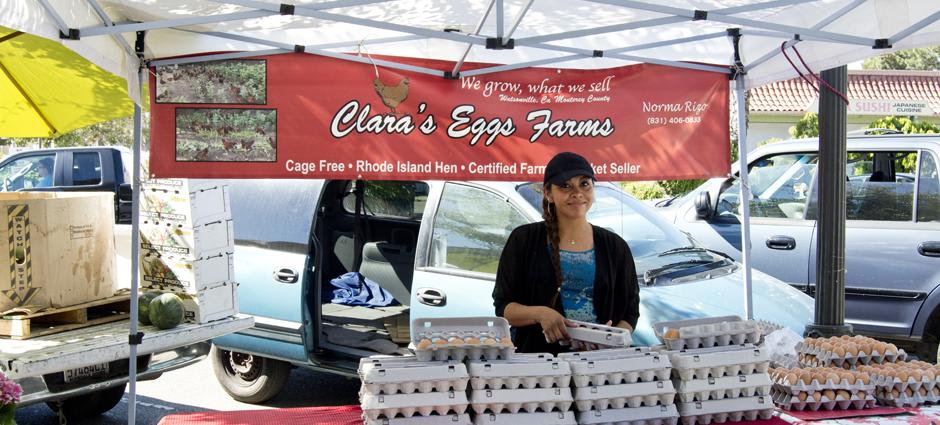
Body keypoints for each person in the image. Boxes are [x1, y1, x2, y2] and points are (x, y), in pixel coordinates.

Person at [492, 151, 639, 354]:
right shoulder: (524, 239)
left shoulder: (615, 246)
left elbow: (630, 312)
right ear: (548, 193)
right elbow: (504, 308)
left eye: (584, 184)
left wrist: (611, 340)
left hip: (601, 363)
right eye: (565, 186)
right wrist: (541, 314)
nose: (577, 193)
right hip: (540, 363)